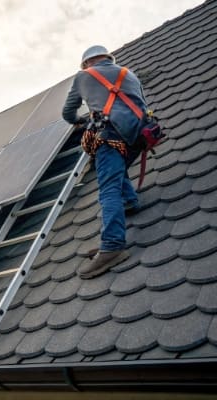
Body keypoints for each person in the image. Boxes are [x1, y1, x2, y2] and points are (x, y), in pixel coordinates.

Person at [62, 45, 147, 279]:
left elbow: (67, 112)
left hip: (110, 137)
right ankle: (130, 201)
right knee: (117, 168)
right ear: (108, 59)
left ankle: (112, 246)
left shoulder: (83, 77)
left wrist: (81, 119)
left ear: (87, 64)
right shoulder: (128, 73)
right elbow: (140, 104)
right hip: (140, 135)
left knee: (108, 189)